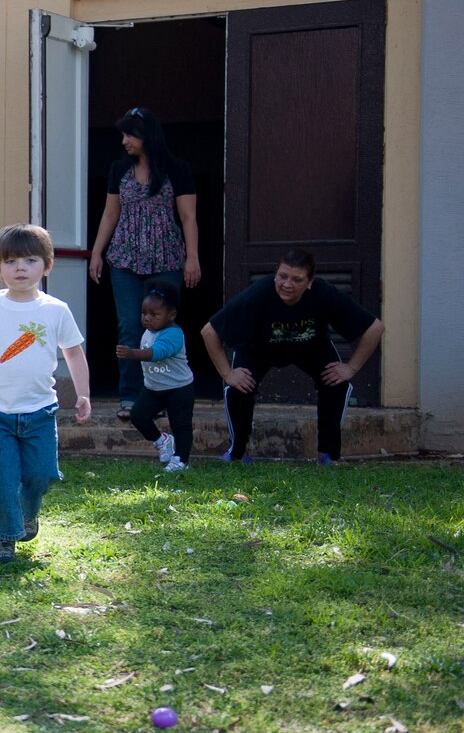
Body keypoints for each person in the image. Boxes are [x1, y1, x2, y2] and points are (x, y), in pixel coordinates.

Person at [0, 224, 91, 564]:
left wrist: (82, 394)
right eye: (10, 261)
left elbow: (74, 354)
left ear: (47, 265)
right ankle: (3, 539)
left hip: (40, 413)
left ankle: (28, 512)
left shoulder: (56, 310)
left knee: (40, 475)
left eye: (30, 260)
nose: (20, 268)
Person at [199, 248, 383, 464]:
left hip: (311, 347)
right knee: (240, 386)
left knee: (336, 382)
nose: (287, 284)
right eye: (282, 276)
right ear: (275, 272)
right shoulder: (259, 293)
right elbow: (209, 332)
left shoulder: (324, 293)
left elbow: (375, 328)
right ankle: (237, 453)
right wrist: (227, 374)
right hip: (258, 348)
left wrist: (351, 368)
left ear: (310, 282)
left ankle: (328, 454)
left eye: (297, 279)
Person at [87, 108, 200, 420]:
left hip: (167, 257)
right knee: (130, 326)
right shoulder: (119, 169)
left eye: (130, 134)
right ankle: (131, 397)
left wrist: (193, 257)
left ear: (147, 136)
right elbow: (110, 214)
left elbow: (188, 217)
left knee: (162, 327)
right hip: (124, 257)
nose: (124, 141)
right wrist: (96, 253)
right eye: (122, 134)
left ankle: (162, 396)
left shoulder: (177, 169)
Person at [118, 280, 193, 472]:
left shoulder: (174, 334)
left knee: (181, 425)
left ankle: (181, 459)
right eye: (144, 313)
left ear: (171, 315)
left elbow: (156, 353)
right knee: (138, 416)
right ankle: (162, 441)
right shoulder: (149, 331)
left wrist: (132, 354)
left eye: (154, 314)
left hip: (178, 388)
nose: (147, 318)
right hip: (153, 388)